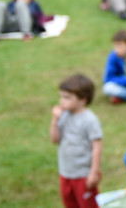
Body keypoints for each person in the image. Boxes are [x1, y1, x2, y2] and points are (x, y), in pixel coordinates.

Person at [49, 74, 103, 208]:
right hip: (66, 173)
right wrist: (54, 120)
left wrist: (94, 172)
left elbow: (97, 147)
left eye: (67, 98)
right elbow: (54, 139)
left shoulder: (90, 120)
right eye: (61, 96)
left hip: (83, 175)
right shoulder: (63, 116)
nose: (62, 101)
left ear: (83, 99)